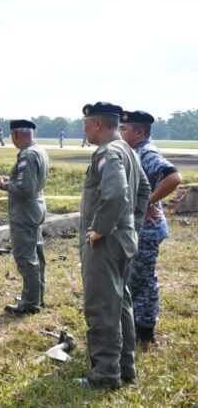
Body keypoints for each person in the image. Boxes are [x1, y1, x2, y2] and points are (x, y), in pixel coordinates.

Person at [75, 102, 150, 390]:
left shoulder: (108, 152)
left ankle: (105, 375)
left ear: (96, 124)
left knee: (102, 307)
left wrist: (100, 229)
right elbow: (142, 190)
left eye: (85, 123)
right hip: (123, 238)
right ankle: (125, 367)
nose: (83, 128)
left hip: (105, 243)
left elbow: (117, 193)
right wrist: (133, 224)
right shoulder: (128, 150)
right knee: (120, 303)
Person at [120, 110, 182, 345]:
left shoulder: (146, 152)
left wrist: (148, 201)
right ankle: (136, 324)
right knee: (136, 278)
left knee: (142, 280)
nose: (121, 132)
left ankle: (145, 331)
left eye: (124, 129)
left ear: (139, 132)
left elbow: (173, 177)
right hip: (140, 227)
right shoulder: (135, 152)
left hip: (147, 227)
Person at [0, 119, 49, 315]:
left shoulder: (27, 155)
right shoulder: (39, 150)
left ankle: (30, 302)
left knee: (26, 256)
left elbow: (24, 188)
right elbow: (29, 181)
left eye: (11, 135)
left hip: (25, 211)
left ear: (16, 135)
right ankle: (37, 296)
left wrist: (2, 185)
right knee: (37, 254)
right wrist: (11, 179)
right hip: (36, 207)